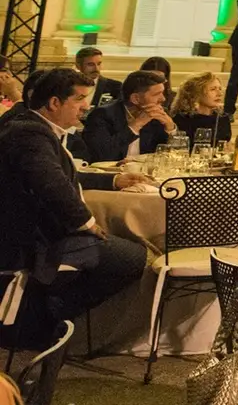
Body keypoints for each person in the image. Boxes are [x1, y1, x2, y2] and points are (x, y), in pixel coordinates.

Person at [0, 69, 152, 336]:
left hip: (40, 232)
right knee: (135, 256)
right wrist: (87, 223)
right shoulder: (29, 133)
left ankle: (47, 313)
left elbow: (61, 173)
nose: (86, 105)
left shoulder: (35, 128)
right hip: (29, 241)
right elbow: (51, 184)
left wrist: (113, 181)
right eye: (79, 98)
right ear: (54, 103)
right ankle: (44, 318)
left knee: (124, 250)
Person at [79, 69, 173, 162]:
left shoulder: (157, 115)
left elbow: (170, 155)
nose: (163, 99)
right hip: (112, 174)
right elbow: (102, 155)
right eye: (157, 94)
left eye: (162, 93)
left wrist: (170, 128)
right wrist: (136, 125)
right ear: (135, 98)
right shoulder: (102, 115)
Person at [172, 72, 233, 148]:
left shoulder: (223, 119)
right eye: (213, 89)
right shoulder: (182, 118)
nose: (219, 93)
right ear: (197, 93)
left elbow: (227, 148)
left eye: (220, 89)